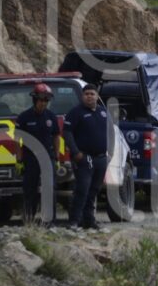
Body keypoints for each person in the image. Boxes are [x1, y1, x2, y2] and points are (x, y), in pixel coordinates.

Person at [63, 83, 110, 230]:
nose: (89, 96)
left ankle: (89, 221)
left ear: (97, 96)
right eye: (86, 94)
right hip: (84, 158)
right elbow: (67, 133)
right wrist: (76, 152)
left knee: (94, 190)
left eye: (92, 94)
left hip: (101, 158)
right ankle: (74, 221)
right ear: (82, 96)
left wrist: (110, 153)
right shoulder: (75, 112)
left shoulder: (103, 112)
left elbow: (109, 133)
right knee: (82, 189)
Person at [15, 83, 60, 224]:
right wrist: (19, 160)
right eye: (41, 100)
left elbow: (56, 137)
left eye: (46, 100)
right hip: (30, 158)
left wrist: (57, 158)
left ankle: (49, 220)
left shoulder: (51, 117)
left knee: (49, 189)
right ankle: (29, 219)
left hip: (48, 158)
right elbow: (17, 139)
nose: (43, 103)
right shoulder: (23, 117)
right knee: (30, 190)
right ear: (35, 100)